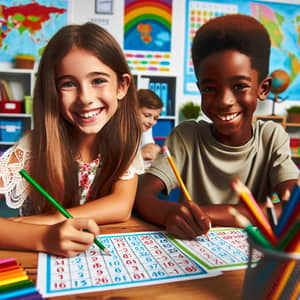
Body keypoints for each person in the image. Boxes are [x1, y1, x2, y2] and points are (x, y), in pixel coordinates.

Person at [135, 14, 299, 240]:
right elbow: (142, 195)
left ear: (264, 88)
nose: (224, 100)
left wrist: (204, 213)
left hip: (251, 256)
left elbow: (295, 209)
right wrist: (170, 213)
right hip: (196, 251)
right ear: (200, 88)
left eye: (240, 86)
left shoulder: (271, 137)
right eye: (210, 88)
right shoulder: (187, 136)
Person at [0, 22, 144, 257]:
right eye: (68, 84)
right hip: (39, 263)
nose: (85, 98)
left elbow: (121, 206)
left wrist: (47, 220)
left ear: (122, 86)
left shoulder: (126, 141)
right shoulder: (32, 147)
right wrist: (44, 236)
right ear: (52, 93)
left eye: (98, 80)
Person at [137, 88, 163, 168]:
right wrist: (140, 154)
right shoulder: (119, 129)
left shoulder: (146, 127)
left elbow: (149, 149)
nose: (151, 122)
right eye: (147, 116)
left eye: (155, 118)